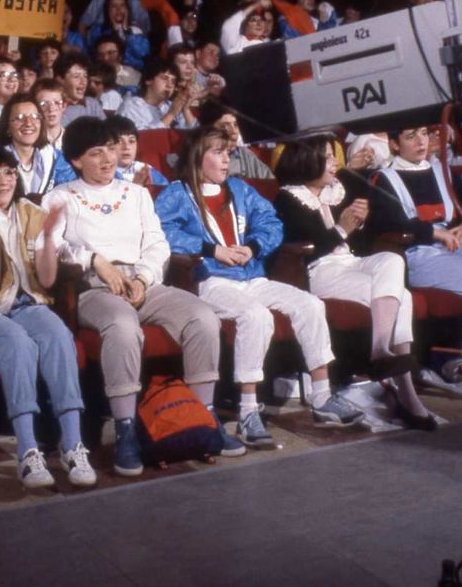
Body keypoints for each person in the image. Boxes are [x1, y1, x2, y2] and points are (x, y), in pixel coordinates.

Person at [45, 118, 234, 475]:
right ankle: (126, 429)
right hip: (94, 289)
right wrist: (95, 260)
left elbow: (157, 243)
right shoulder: (60, 197)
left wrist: (145, 278)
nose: (107, 160)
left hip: (143, 283)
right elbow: (49, 246)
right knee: (122, 325)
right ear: (75, 161)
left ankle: (203, 419)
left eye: (111, 150)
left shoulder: (136, 193)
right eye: (95, 153)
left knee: (203, 317)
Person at [156, 127, 365, 446]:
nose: (226, 160)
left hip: (251, 276)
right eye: (217, 153)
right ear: (198, 158)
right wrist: (213, 250)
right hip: (209, 279)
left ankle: (322, 398)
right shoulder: (176, 193)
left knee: (310, 304)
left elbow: (271, 224)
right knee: (255, 316)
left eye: (228, 153)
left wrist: (253, 247)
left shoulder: (240, 189)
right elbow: (163, 232)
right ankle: (248, 411)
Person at [0, 146, 96, 488]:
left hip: (29, 303)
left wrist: (45, 237)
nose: (3, 181)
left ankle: (72, 443)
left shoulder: (30, 211)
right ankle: (28, 450)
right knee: (17, 342)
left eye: (9, 172)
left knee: (58, 334)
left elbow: (45, 281)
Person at [274, 135, 434, 430]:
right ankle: (409, 397)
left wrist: (361, 221)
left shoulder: (339, 189)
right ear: (308, 159)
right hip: (319, 271)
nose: (335, 162)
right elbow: (307, 250)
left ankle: (379, 349)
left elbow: (366, 231)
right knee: (405, 298)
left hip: (351, 263)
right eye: (328, 156)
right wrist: (341, 228)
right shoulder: (288, 198)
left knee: (392, 260)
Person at [367, 125, 462, 297]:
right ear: (395, 145)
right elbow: (390, 222)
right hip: (418, 252)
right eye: (411, 136)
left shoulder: (443, 171)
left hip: (456, 241)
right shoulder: (384, 178)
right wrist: (434, 233)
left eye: (423, 134)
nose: (421, 141)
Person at [0, 93, 71, 196]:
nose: (28, 123)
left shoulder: (57, 159)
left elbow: (69, 196)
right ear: (7, 126)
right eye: (20, 118)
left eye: (35, 117)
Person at [197, 102, 274, 179]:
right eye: (225, 126)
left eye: (236, 125)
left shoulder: (245, 154)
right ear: (208, 130)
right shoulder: (199, 156)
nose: (234, 131)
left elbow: (270, 182)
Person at [117, 57, 195, 130]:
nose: (170, 85)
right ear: (149, 80)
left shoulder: (172, 106)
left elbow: (197, 136)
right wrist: (170, 114)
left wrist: (186, 109)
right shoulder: (131, 106)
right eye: (165, 78)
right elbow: (143, 139)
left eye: (173, 81)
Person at [86, 0, 150, 72]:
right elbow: (95, 53)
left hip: (132, 74)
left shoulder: (136, 30)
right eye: (113, 6)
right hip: (104, 72)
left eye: (122, 6)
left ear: (127, 9)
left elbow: (143, 53)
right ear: (107, 9)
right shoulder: (98, 30)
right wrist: (114, 31)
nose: (118, 10)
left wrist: (126, 30)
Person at [109, 116, 168, 187]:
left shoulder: (145, 170)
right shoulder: (103, 175)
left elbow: (167, 193)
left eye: (131, 141)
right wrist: (136, 187)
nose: (126, 147)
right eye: (119, 142)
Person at [55, 53, 106, 124]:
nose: (83, 82)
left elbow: (105, 131)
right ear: (60, 80)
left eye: (85, 76)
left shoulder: (92, 104)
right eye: (76, 76)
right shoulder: (54, 107)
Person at [33, 79, 67, 149]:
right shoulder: (31, 142)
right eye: (44, 104)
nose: (51, 109)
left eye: (57, 103)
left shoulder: (74, 140)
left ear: (64, 106)